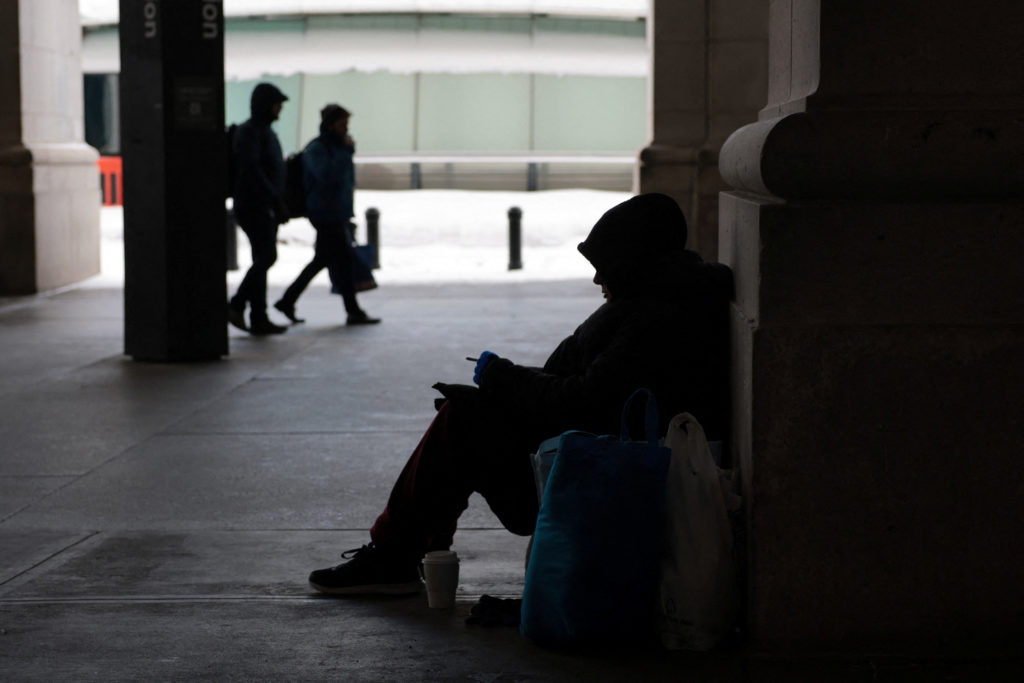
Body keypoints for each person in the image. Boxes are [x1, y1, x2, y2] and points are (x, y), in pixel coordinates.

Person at [308, 193, 733, 595]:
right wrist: (505, 382)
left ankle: (395, 556)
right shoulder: (662, 299)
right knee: (469, 412)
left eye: (608, 266)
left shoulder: (652, 318)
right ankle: (410, 549)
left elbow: (583, 400)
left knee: (463, 420)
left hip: (601, 479)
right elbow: (592, 391)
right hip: (601, 454)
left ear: (635, 263)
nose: (597, 278)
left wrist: (502, 378)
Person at [273, 104, 380, 326]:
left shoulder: (336, 147)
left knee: (324, 260)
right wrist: (346, 153)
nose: (346, 129)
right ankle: (353, 310)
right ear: (331, 124)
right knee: (343, 259)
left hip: (335, 212)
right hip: (324, 213)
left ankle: (288, 300)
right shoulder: (318, 149)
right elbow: (327, 176)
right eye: (342, 124)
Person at [228, 82, 291, 335]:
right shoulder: (251, 132)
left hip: (262, 204)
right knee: (266, 257)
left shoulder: (261, 131)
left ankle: (258, 315)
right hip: (255, 205)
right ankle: (237, 303)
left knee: (261, 258)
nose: (280, 111)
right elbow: (251, 169)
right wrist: (273, 198)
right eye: (277, 105)